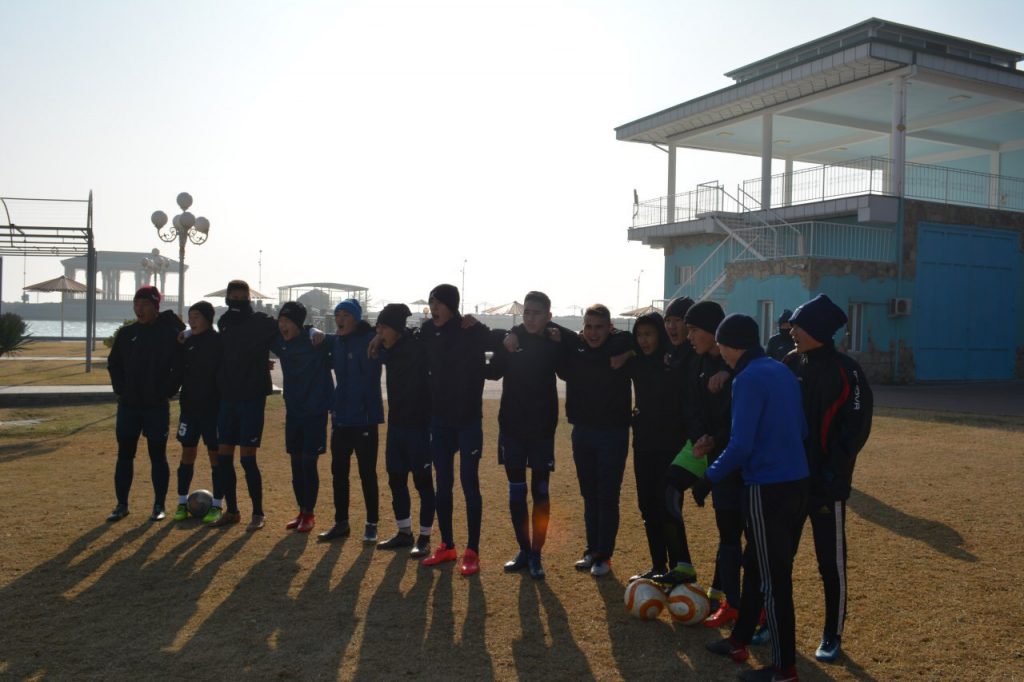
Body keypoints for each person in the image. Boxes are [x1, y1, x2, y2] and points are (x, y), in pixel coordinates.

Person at [701, 314, 809, 682]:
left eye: (721, 346)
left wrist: (708, 476)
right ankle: (740, 640)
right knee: (756, 565)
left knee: (774, 579)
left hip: (767, 488)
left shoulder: (746, 378)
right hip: (797, 484)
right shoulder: (780, 370)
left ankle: (784, 669)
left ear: (730, 345)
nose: (721, 354)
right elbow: (801, 429)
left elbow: (740, 445)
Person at [787, 294, 873, 664]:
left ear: (818, 330)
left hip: (826, 486)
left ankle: (831, 633)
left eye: (799, 326)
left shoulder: (847, 371)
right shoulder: (790, 363)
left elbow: (855, 430)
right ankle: (769, 622)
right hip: (789, 481)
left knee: (830, 564)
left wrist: (830, 472)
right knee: (780, 557)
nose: (791, 331)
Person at [663, 301, 744, 631]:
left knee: (728, 522)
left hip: (727, 450)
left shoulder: (735, 365)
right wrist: (699, 437)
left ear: (713, 331)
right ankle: (683, 563)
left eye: (694, 329)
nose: (687, 334)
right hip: (701, 444)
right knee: (669, 489)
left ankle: (718, 591)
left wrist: (715, 439)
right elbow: (690, 406)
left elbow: (740, 420)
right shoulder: (696, 361)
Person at [487, 291, 571, 580]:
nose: (531, 318)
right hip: (511, 428)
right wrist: (503, 342)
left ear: (548, 316)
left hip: (541, 430)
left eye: (537, 313)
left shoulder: (553, 341)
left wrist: (560, 341)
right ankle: (523, 550)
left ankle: (537, 554)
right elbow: (493, 373)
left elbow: (568, 372)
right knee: (516, 492)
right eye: (527, 312)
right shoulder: (513, 339)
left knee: (541, 493)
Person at [419, 284, 496, 575]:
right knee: (443, 484)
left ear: (452, 306)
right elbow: (404, 340)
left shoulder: (469, 330)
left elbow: (499, 340)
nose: (434, 308)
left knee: (469, 483)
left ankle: (472, 550)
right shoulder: (427, 331)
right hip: (439, 421)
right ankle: (447, 545)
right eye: (431, 303)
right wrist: (377, 337)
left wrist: (479, 325)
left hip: (468, 421)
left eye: (439, 303)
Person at [561, 304, 633, 577]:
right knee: (589, 495)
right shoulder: (576, 348)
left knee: (607, 496)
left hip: (613, 433)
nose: (593, 333)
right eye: (588, 327)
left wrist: (629, 352)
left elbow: (638, 337)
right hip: (582, 431)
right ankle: (592, 550)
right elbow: (556, 332)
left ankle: (604, 555)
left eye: (599, 327)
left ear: (610, 327)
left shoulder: (620, 345)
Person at [105, 285, 185, 522]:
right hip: (129, 406)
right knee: (124, 455)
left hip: (155, 406)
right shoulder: (127, 333)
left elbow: (179, 367)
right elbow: (114, 364)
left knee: (157, 456)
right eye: (136, 305)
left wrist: (166, 391)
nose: (139, 309)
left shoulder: (169, 333)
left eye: (145, 305)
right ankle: (121, 504)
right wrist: (121, 389)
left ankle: (159, 505)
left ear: (155, 307)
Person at [627, 310, 693, 583]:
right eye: (639, 335)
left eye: (649, 334)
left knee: (668, 506)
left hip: (672, 446)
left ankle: (680, 566)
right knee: (647, 507)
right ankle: (658, 565)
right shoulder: (635, 361)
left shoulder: (675, 360)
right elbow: (610, 338)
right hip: (644, 445)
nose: (644, 340)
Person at [210, 280, 279, 531]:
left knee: (248, 459)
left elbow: (288, 327)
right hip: (227, 397)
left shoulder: (261, 321)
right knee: (224, 457)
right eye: (234, 297)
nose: (238, 301)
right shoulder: (224, 322)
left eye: (242, 297)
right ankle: (232, 511)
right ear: (227, 298)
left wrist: (312, 331)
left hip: (252, 397)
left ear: (249, 298)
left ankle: (258, 513)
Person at [318, 299, 385, 543]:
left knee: (367, 473)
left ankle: (371, 524)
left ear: (356, 319)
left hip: (365, 419)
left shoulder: (370, 340)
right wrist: (312, 331)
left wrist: (379, 336)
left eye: (346, 315)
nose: (340, 319)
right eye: (338, 314)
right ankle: (341, 523)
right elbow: (317, 337)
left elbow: (394, 338)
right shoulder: (336, 341)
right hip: (341, 418)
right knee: (339, 472)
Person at [372, 303, 435, 558]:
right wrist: (377, 336)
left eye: (383, 328)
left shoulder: (417, 346)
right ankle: (404, 532)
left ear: (397, 329)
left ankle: (425, 537)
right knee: (396, 479)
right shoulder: (387, 348)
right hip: (396, 425)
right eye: (378, 327)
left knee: (423, 483)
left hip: (419, 426)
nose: (379, 332)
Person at [273, 301, 333, 534]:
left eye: (287, 322)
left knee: (309, 463)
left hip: (315, 413)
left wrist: (313, 330)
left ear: (298, 324)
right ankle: (301, 511)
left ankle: (309, 513)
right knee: (296, 464)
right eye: (281, 321)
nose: (283, 326)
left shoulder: (314, 342)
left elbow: (337, 340)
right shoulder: (281, 343)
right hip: (294, 412)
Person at [172, 301, 225, 523]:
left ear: (208, 319)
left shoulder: (219, 342)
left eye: (196, 317)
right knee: (187, 453)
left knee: (216, 456)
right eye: (190, 317)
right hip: (189, 409)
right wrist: (185, 333)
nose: (191, 321)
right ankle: (182, 503)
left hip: (213, 410)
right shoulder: (186, 341)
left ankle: (217, 505)